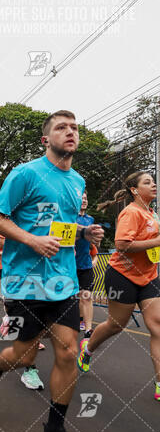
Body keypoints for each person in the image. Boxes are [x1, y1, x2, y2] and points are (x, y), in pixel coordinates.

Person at [0, 110, 103, 432]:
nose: (70, 132)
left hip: (63, 281)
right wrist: (32, 241)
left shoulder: (77, 182)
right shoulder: (25, 173)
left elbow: (60, 226)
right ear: (46, 139)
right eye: (61, 128)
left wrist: (83, 231)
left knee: (67, 351)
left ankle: (54, 431)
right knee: (24, 354)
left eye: (74, 127)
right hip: (24, 280)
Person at [78, 172, 160, 402]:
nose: (153, 184)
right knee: (115, 325)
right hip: (122, 276)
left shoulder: (152, 213)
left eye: (154, 181)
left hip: (149, 277)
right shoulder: (131, 212)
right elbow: (122, 245)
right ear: (135, 190)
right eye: (147, 182)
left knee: (157, 326)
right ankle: (88, 349)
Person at [76, 191, 95, 338]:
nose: (84, 200)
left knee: (87, 296)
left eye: (85, 198)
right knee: (72, 299)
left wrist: (97, 237)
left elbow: (94, 243)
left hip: (86, 264)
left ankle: (88, 330)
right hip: (69, 265)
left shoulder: (90, 219)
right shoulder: (69, 218)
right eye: (81, 198)